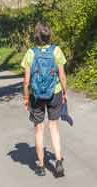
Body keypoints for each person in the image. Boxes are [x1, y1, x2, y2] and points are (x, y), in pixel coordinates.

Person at [21, 21, 68, 177]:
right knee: (54, 127)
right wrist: (65, 92)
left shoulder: (30, 53)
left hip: (37, 95)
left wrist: (26, 97)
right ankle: (58, 161)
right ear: (49, 36)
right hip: (55, 92)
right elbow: (62, 75)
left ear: (36, 36)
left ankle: (41, 166)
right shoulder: (57, 51)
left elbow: (26, 80)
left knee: (39, 130)